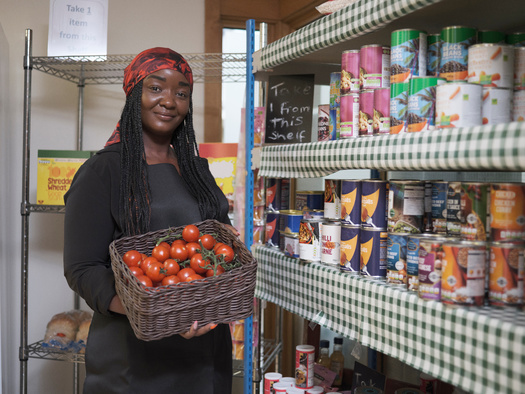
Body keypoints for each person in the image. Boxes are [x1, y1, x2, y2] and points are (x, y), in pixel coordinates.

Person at [63, 47, 234, 393]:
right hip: (133, 361)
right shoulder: (103, 171)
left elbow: (219, 238)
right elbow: (82, 268)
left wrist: (230, 243)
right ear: (133, 94)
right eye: (156, 88)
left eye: (181, 93)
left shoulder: (197, 169)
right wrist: (154, 310)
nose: (169, 101)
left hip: (206, 352)